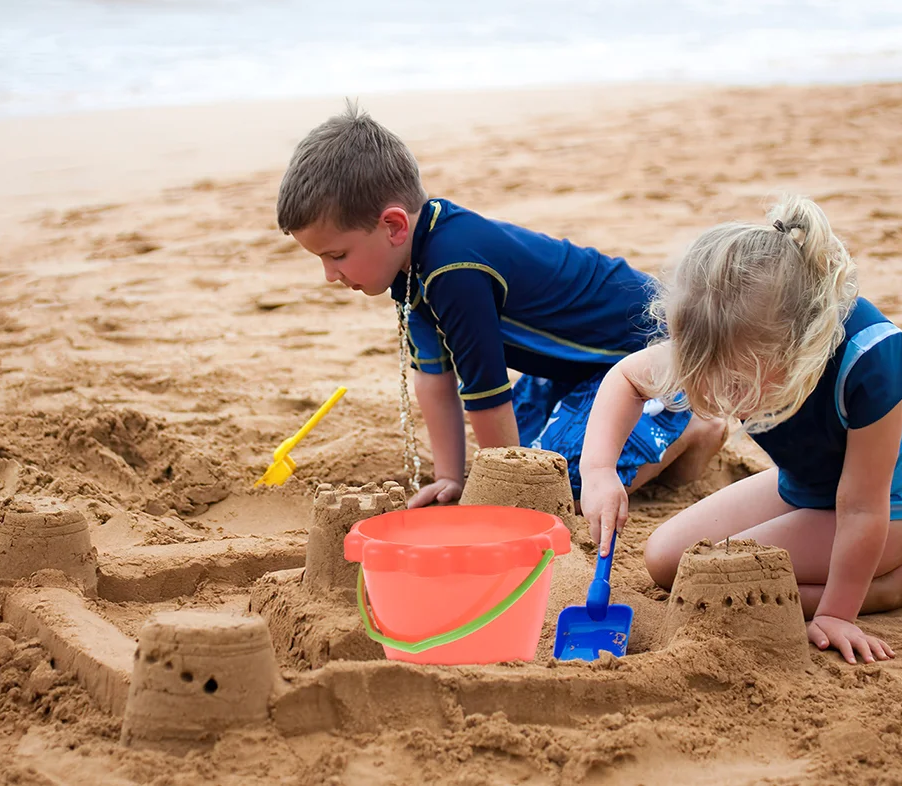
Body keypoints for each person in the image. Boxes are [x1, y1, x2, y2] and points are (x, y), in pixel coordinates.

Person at [276, 101, 725, 508]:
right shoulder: (411, 268)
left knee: (551, 482)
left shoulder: (454, 270)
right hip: (575, 366)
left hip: (649, 351)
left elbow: (486, 395)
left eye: (336, 255)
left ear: (393, 225)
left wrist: (506, 504)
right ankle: (667, 427)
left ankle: (690, 425)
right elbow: (434, 380)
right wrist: (450, 477)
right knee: (520, 458)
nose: (330, 275)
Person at [580, 194, 902, 664]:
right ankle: (870, 583)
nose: (724, 395)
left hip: (890, 510)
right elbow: (627, 378)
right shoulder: (727, 334)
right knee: (667, 561)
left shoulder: (870, 362)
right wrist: (598, 470)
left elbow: (859, 509)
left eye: (736, 381)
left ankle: (890, 590)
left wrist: (837, 614)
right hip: (806, 486)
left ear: (794, 351)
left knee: (711, 582)